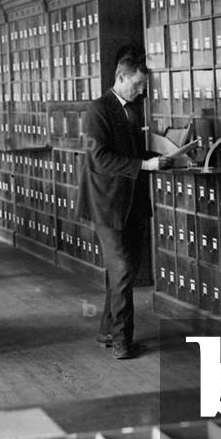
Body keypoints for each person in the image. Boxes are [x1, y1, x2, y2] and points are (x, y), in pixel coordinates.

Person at [78, 55, 170, 359]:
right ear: (121, 77)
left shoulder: (128, 111)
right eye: (138, 84)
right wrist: (145, 164)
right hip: (108, 204)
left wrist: (164, 153)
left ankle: (107, 330)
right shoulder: (98, 110)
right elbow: (100, 158)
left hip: (131, 203)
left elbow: (130, 152)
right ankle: (121, 341)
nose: (142, 91)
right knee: (122, 271)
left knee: (121, 272)